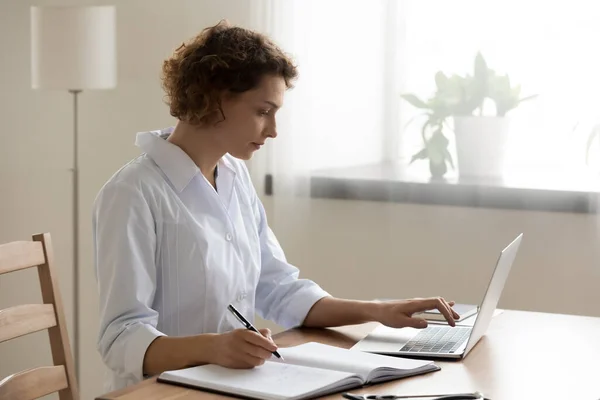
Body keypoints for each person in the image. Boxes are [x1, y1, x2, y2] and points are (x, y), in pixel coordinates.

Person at [92, 20, 459, 392]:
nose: (273, 130)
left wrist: (378, 311)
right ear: (215, 97)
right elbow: (120, 338)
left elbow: (278, 288)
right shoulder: (133, 193)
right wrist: (214, 347)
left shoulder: (233, 176)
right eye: (263, 111)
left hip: (230, 385)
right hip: (160, 392)